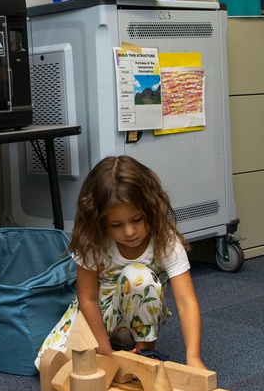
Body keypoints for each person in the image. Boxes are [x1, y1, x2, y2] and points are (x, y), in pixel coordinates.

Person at [36, 155, 206, 369]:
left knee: (139, 278)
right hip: (99, 318)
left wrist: (194, 357)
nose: (129, 231)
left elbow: (186, 302)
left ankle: (145, 353)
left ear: (151, 209)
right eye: (116, 224)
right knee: (47, 364)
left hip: (137, 323)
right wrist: (106, 353)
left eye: (136, 220)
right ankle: (115, 350)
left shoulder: (166, 240)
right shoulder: (93, 240)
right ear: (100, 222)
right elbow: (87, 299)